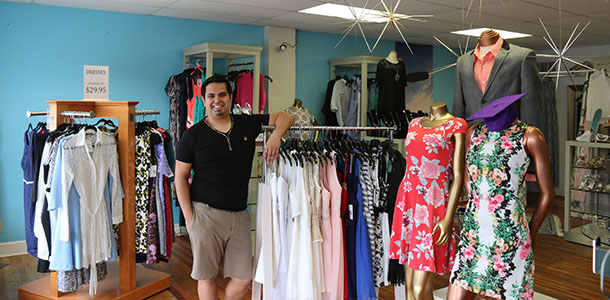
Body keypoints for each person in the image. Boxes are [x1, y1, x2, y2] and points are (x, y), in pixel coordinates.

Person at [175, 74, 294, 300]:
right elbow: (180, 177)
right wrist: (190, 218)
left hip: (239, 215)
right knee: (207, 277)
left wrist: (276, 136)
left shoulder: (247, 124)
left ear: (230, 97)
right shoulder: (192, 136)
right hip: (205, 214)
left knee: (242, 280)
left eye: (222, 94)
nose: (216, 100)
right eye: (211, 96)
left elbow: (285, 116)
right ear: (204, 99)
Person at [452, 29, 542, 128]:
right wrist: (457, 136)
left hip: (510, 135)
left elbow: (530, 103)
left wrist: (530, 135)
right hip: (474, 136)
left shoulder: (521, 57)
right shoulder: (463, 62)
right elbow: (458, 105)